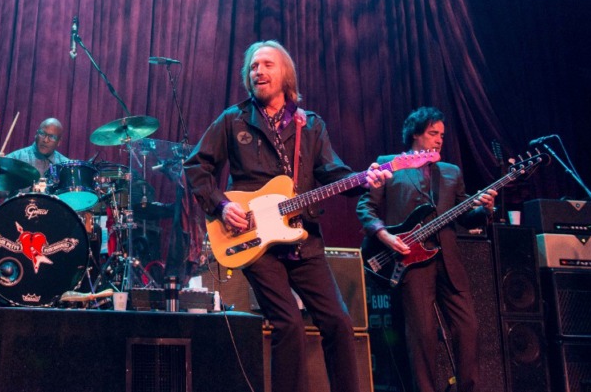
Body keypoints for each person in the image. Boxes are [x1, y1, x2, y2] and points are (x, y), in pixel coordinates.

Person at [184, 40, 391, 392]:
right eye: (253, 66)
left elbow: (333, 173)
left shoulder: (309, 124)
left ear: (285, 74)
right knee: (289, 324)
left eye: (267, 65)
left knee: (339, 323)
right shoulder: (233, 120)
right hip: (254, 239)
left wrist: (364, 179)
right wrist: (221, 205)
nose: (259, 71)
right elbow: (195, 166)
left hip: (302, 239)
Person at [356, 107, 495, 392]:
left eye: (442, 135)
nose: (439, 139)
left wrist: (484, 209)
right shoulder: (389, 164)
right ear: (415, 134)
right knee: (422, 337)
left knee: (469, 329)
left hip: (449, 260)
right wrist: (384, 236)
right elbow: (365, 207)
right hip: (412, 261)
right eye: (433, 133)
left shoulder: (451, 172)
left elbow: (464, 215)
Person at [5, 117, 70, 184]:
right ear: (36, 134)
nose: (45, 140)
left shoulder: (67, 166)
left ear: (59, 142)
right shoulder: (15, 159)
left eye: (52, 137)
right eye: (42, 134)